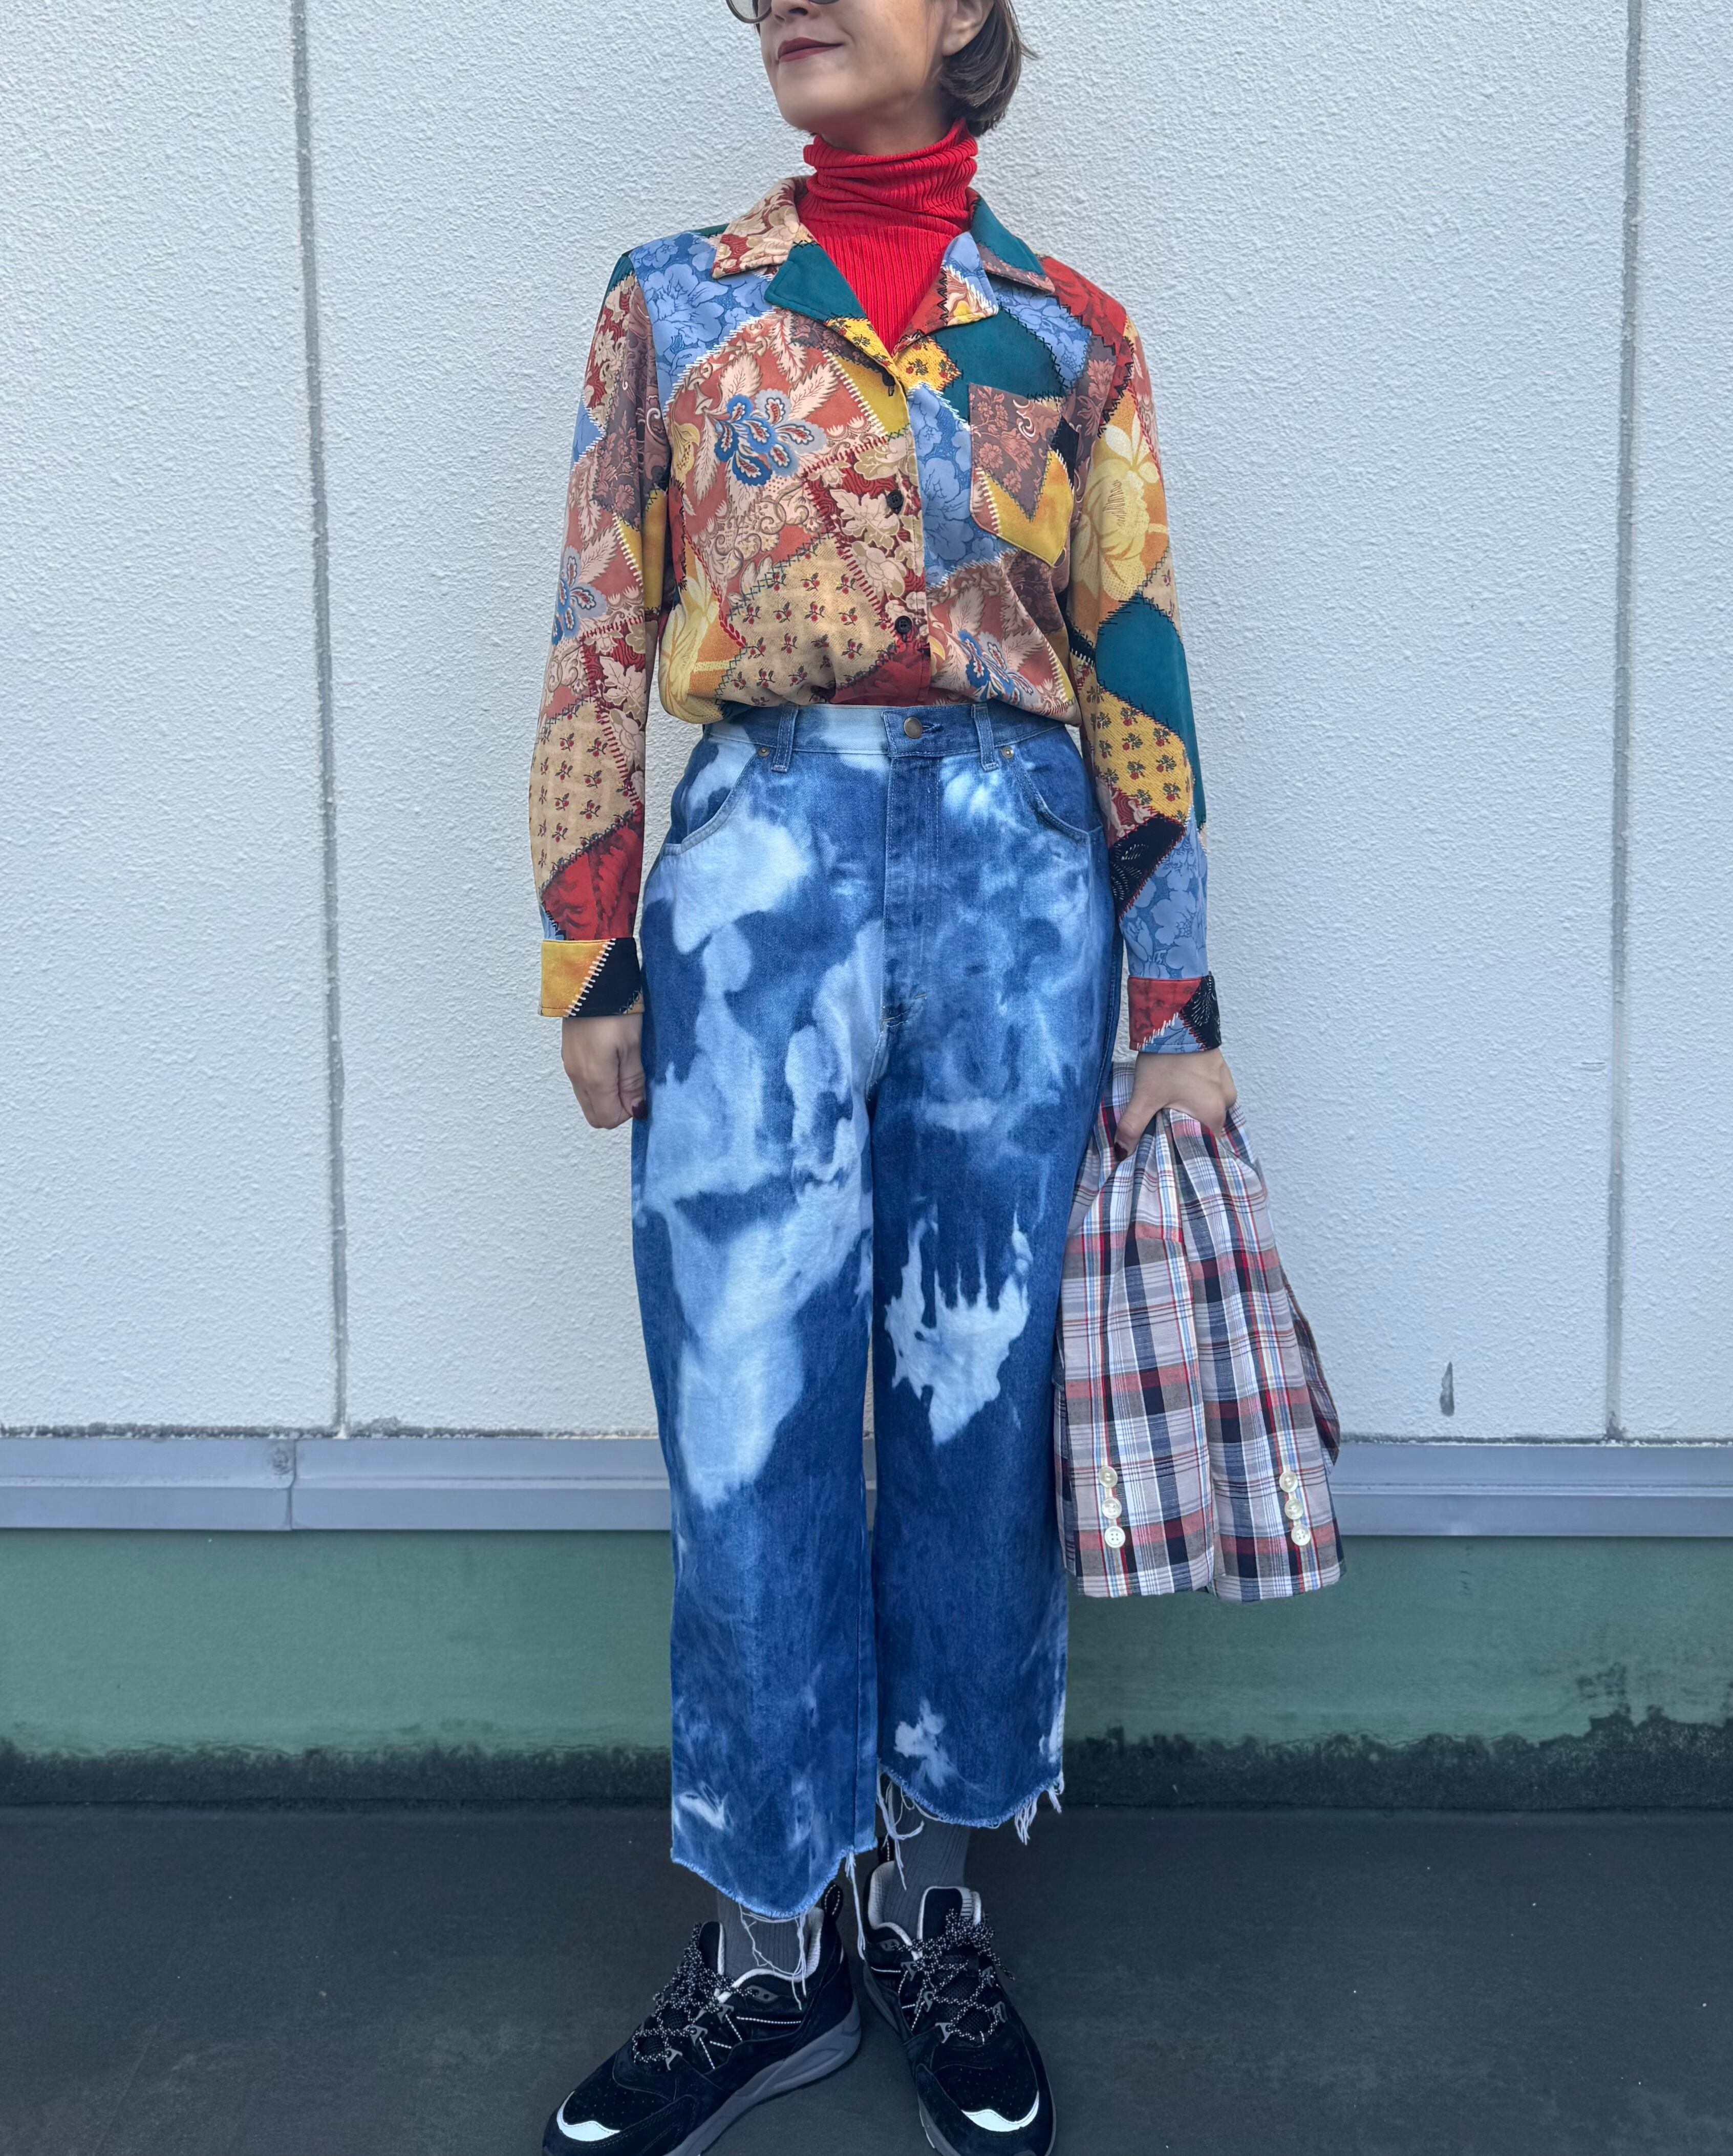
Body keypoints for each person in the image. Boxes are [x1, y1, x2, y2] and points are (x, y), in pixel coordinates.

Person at [529, 2, 1234, 2148]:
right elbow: (596, 622)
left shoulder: (1070, 330)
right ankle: (771, 1949)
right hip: (759, 880)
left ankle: (927, 1908)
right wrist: (588, 940)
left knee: (975, 1405)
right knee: (745, 1412)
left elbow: (1131, 647)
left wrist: (1174, 1007)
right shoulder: (676, 302)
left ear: (966, 19)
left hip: (1018, 892)